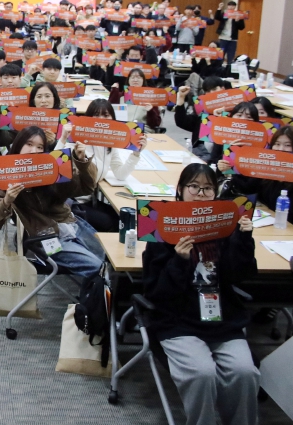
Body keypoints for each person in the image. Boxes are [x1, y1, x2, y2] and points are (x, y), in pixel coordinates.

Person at [143, 163, 259, 425]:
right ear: (180, 190)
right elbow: (155, 291)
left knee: (245, 373)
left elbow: (240, 275)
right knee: (201, 373)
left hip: (222, 319)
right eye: (194, 187)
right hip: (177, 320)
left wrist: (243, 239)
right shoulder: (161, 225)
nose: (200, 193)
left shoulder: (224, 225)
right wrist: (179, 260)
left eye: (208, 188)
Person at [0, 126, 103, 277]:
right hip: (44, 238)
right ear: (18, 145)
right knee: (97, 266)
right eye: (29, 144)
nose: (34, 150)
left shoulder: (51, 167)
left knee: (108, 258)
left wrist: (81, 161)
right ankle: (93, 291)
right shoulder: (3, 175)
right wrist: (7, 201)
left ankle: (93, 290)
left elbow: (86, 188)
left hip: (70, 224)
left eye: (40, 147)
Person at [56, 99, 147, 232]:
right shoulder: (77, 139)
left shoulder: (109, 143)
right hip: (71, 202)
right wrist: (63, 139)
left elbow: (120, 174)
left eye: (106, 115)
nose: (101, 119)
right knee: (113, 222)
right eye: (96, 115)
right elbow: (56, 168)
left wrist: (136, 153)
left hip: (90, 200)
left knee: (122, 217)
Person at [174, 75, 226, 152]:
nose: (211, 93)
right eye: (207, 91)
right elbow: (183, 122)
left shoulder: (233, 107)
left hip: (223, 151)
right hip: (202, 149)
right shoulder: (202, 108)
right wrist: (181, 99)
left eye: (214, 89)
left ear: (223, 89)